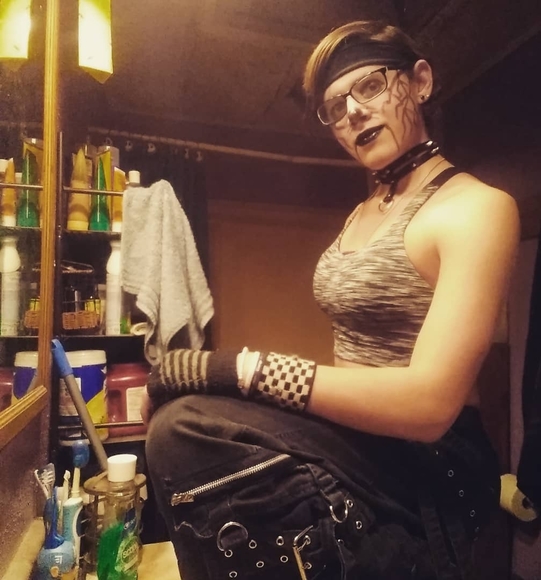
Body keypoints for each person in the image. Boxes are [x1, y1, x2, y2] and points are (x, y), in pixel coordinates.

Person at [142, 20, 520, 580]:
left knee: (183, 429)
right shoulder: (364, 211)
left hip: (432, 464)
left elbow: (430, 405)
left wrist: (236, 370)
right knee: (182, 420)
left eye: (370, 86)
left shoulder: (477, 208)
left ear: (419, 82)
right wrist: (220, 383)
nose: (354, 112)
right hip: (361, 445)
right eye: (335, 107)